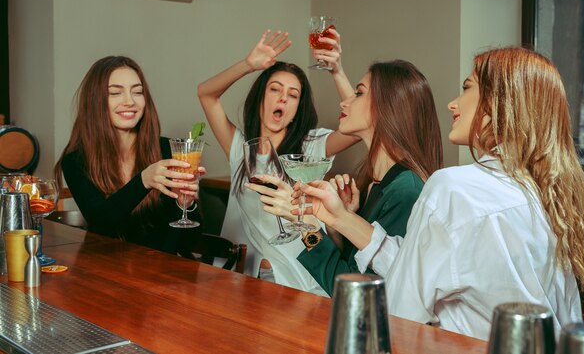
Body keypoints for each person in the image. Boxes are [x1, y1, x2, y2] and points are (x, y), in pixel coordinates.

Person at [300, 47, 584, 339]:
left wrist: (308, 233)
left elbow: (398, 308)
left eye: (466, 88)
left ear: (497, 102)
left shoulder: (450, 188)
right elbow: (431, 267)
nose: (452, 103)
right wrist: (339, 219)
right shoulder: (545, 191)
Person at [197, 29, 359, 295]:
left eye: (293, 95)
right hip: (246, 278)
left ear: (296, 109)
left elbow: (356, 127)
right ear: (261, 97)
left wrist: (337, 72)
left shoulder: (311, 147)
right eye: (275, 89)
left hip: (301, 279)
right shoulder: (240, 148)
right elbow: (206, 94)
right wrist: (248, 65)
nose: (283, 97)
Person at [267, 59, 443, 296]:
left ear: (387, 107)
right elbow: (352, 265)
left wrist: (309, 227)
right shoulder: (374, 183)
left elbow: (354, 294)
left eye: (359, 93)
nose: (345, 101)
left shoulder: (405, 192)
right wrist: (338, 225)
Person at [54, 56, 203, 254]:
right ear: (95, 101)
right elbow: (101, 223)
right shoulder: (76, 160)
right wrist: (143, 180)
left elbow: (190, 241)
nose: (129, 101)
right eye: (115, 92)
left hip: (163, 276)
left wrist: (186, 205)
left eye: (137, 92)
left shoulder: (167, 149)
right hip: (109, 273)